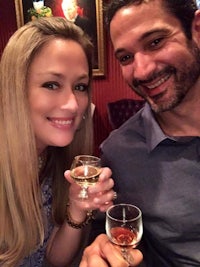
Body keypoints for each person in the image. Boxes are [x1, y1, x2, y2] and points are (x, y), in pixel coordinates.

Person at [83, 0, 200, 266]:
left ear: (196, 30)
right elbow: (110, 233)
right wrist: (103, 249)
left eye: (156, 42)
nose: (142, 71)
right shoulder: (118, 152)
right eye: (126, 57)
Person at [0, 16, 117, 267]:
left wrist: (77, 208)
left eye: (81, 86)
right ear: (15, 89)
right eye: (52, 84)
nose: (73, 104)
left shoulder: (54, 159)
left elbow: (51, 259)